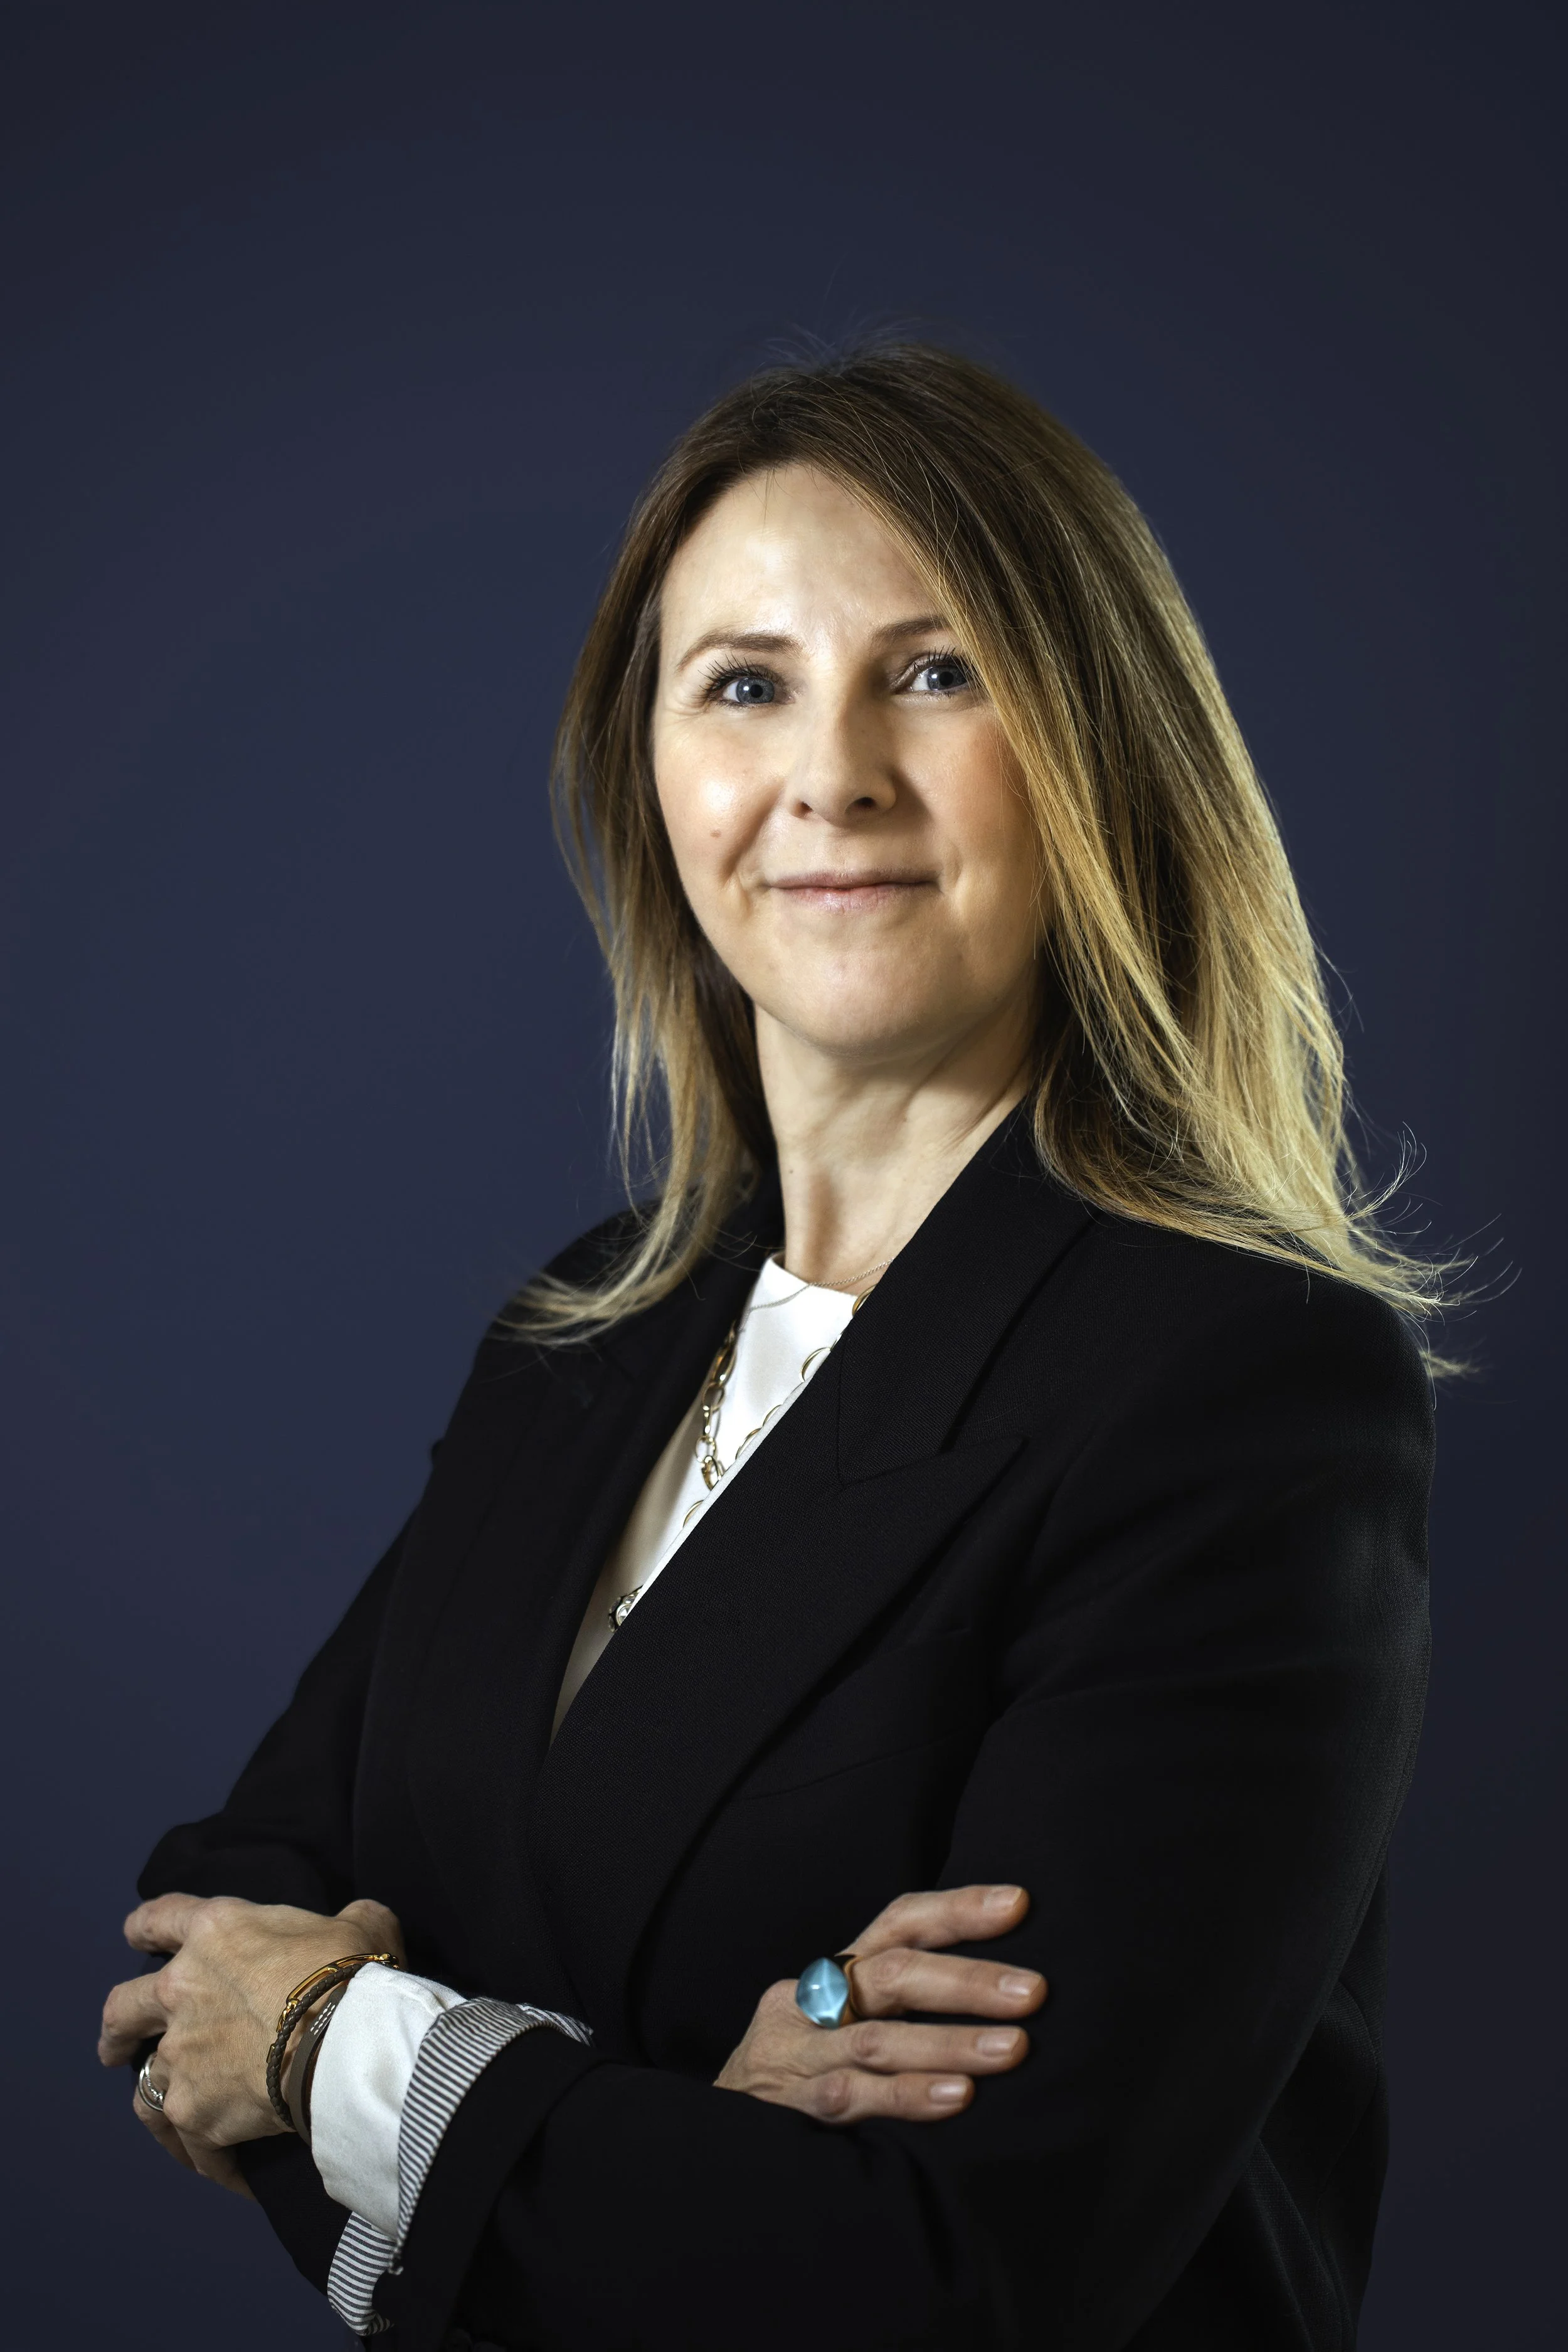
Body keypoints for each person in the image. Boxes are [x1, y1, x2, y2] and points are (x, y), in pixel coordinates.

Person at [98, 343, 1441, 2351]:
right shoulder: (589, 1332)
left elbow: (935, 2276)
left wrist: (344, 2052)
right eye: (743, 683)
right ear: (649, 773)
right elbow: (202, 1945)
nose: (834, 775)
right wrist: (640, 2121)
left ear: (1099, 748)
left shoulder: (1239, 1384)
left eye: (937, 671)